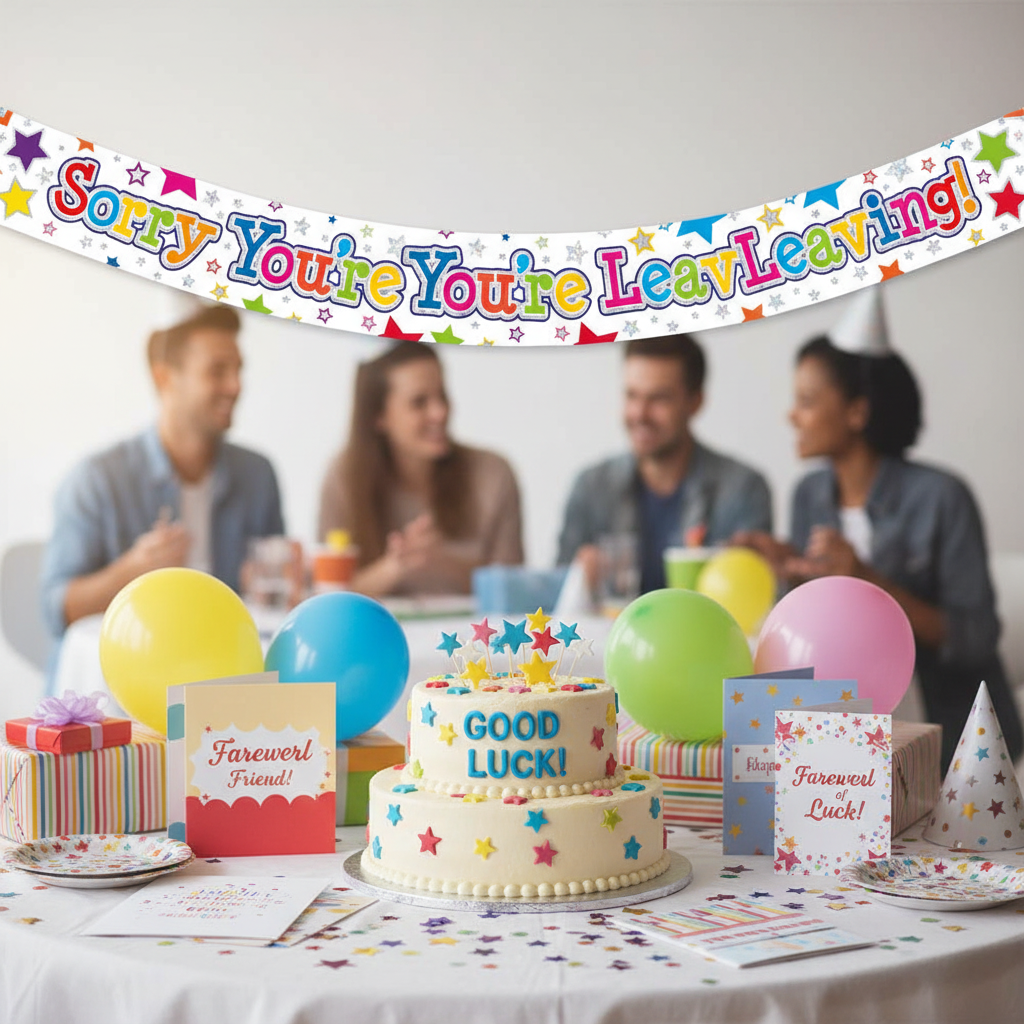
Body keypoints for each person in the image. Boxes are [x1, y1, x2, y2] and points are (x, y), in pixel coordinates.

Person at [737, 289, 1022, 770]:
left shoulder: (942, 497)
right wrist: (789, 571)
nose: (792, 415)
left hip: (954, 746)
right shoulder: (809, 494)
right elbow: (824, 636)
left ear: (856, 412)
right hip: (850, 745)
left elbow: (974, 638)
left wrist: (868, 578)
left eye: (806, 400)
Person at [40, 303, 285, 637]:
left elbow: (277, 590)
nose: (236, 386)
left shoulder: (258, 475)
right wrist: (131, 572)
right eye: (217, 371)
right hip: (121, 683)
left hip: (224, 675)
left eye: (238, 370)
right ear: (165, 377)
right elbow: (57, 610)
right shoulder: (97, 480)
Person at [557, 333, 773, 593]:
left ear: (695, 402)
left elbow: (751, 598)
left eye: (659, 398)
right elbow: (557, 598)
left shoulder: (744, 489)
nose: (640, 413)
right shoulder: (590, 487)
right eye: (632, 395)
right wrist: (578, 580)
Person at [318, 340, 523, 597]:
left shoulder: (493, 475)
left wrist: (442, 562)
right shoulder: (344, 477)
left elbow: (516, 593)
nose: (440, 412)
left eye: (442, 396)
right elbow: (327, 597)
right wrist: (396, 565)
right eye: (419, 402)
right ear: (379, 417)